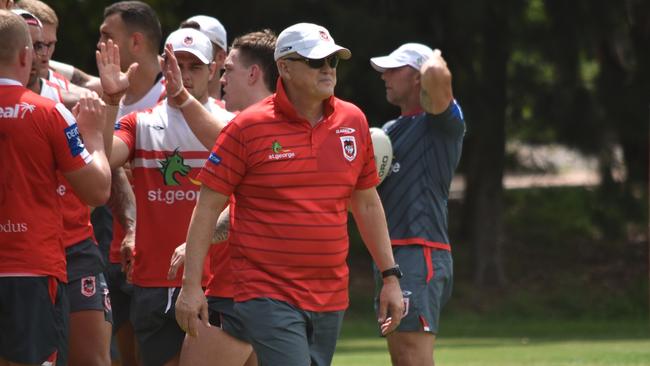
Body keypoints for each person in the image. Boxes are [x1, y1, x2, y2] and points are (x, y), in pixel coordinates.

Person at [174, 22, 404, 366]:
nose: (327, 68)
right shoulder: (247, 127)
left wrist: (390, 277)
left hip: (330, 295)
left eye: (332, 61)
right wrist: (191, 286)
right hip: (266, 293)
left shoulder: (352, 121)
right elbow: (207, 206)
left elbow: (367, 204)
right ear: (284, 67)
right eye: (315, 61)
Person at [109, 27, 233, 366]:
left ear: (212, 70)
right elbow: (103, 161)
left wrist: (181, 99)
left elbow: (237, 153)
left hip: (214, 282)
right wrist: (109, 102)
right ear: (165, 65)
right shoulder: (141, 122)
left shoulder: (231, 123)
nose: (185, 75)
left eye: (195, 67)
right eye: (179, 64)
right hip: (153, 278)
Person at [0, 10, 111, 366]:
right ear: (24, 56)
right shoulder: (49, 112)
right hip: (31, 268)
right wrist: (93, 136)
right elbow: (97, 190)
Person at [163, 28, 278, 366]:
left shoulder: (259, 126)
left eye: (228, 70)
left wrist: (198, 246)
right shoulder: (281, 124)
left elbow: (224, 142)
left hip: (238, 291)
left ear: (254, 74)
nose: (222, 79)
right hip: (273, 293)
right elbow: (224, 140)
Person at [369, 43, 465, 366]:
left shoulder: (440, 125)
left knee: (412, 356)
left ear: (417, 77)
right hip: (391, 257)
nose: (385, 76)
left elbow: (438, 75)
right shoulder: (387, 131)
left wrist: (433, 58)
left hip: (418, 250)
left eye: (395, 68)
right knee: (402, 357)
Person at [179, 15, 227, 100]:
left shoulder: (237, 111)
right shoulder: (155, 109)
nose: (188, 54)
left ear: (221, 58)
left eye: (200, 47)